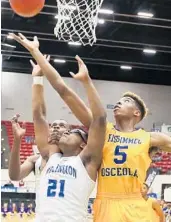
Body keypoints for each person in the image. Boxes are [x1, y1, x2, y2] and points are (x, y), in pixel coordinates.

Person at [10, 33, 171, 222]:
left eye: (125, 101)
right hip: (107, 204)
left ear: (137, 113)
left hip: (134, 203)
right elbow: (64, 90)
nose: (118, 103)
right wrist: (36, 53)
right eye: (118, 101)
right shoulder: (103, 132)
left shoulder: (151, 138)